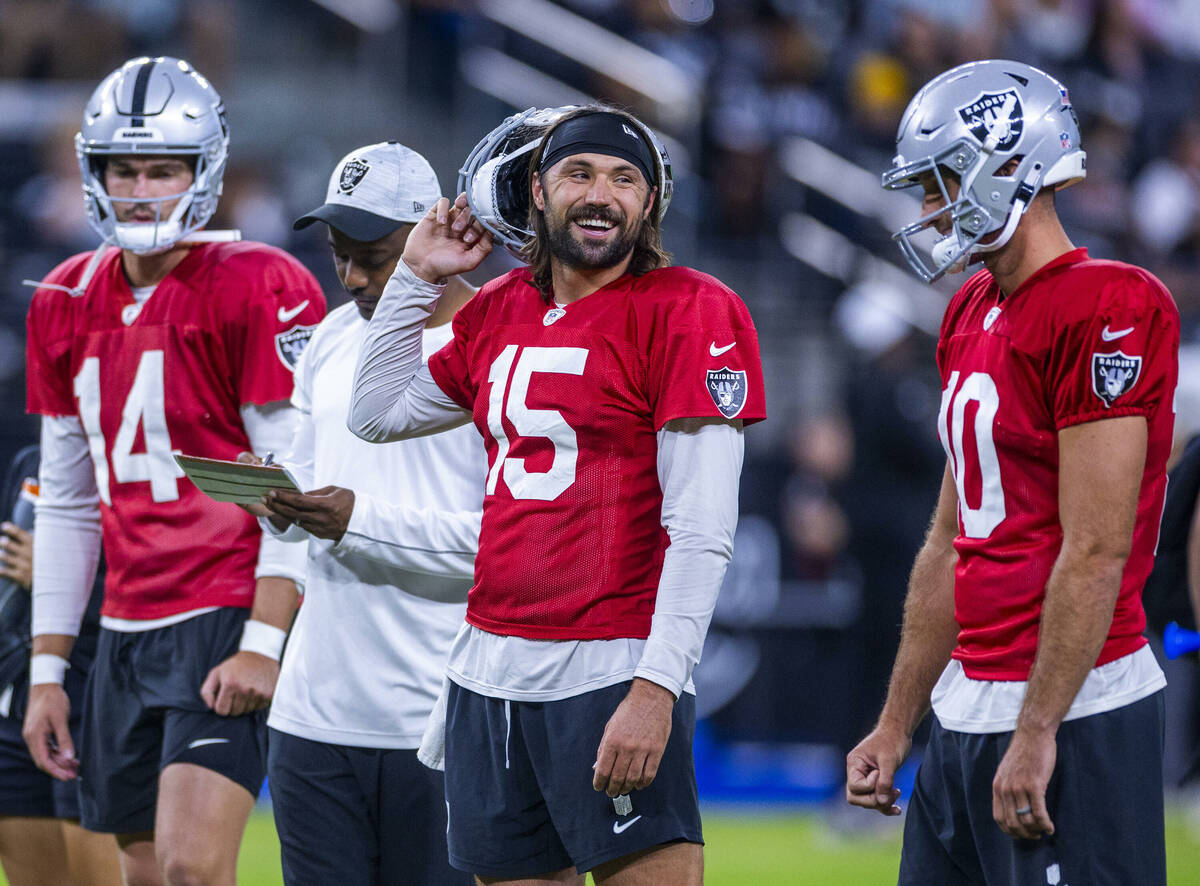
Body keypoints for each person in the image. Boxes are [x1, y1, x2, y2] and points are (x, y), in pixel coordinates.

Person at [347, 105, 767, 884]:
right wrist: (416, 275)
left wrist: (656, 690)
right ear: (537, 191)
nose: (600, 195)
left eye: (623, 179)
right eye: (579, 174)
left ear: (650, 202)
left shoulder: (690, 307)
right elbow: (374, 412)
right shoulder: (502, 308)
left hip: (609, 663)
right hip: (486, 668)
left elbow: (702, 530)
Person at [845, 59, 1178, 885]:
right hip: (967, 705)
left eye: (939, 183)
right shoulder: (970, 308)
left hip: (1075, 707)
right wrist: (897, 723)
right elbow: (951, 539)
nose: (929, 210)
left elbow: (1097, 548)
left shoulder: (1109, 303)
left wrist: (1038, 729)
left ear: (1008, 167)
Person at [22, 56, 324, 886]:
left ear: (205, 174)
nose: (144, 188)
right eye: (126, 168)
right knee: (147, 875)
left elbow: (290, 481)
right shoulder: (62, 296)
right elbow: (70, 504)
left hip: (221, 608)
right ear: (95, 173)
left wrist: (264, 639)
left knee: (194, 870)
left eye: (165, 169)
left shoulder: (258, 281)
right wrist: (49, 669)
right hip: (121, 626)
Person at [246, 141, 481, 885]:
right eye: (338, 253)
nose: (350, 277)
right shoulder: (332, 338)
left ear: (432, 234)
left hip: (441, 720)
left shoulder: (501, 347)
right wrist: (275, 499)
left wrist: (357, 518)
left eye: (374, 256)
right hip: (311, 717)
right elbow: (312, 495)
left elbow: (513, 547)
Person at [0, 445, 121, 886]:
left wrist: (55, 579)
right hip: (19, 694)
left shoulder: (134, 465)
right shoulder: (30, 460)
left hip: (96, 693)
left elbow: (155, 589)